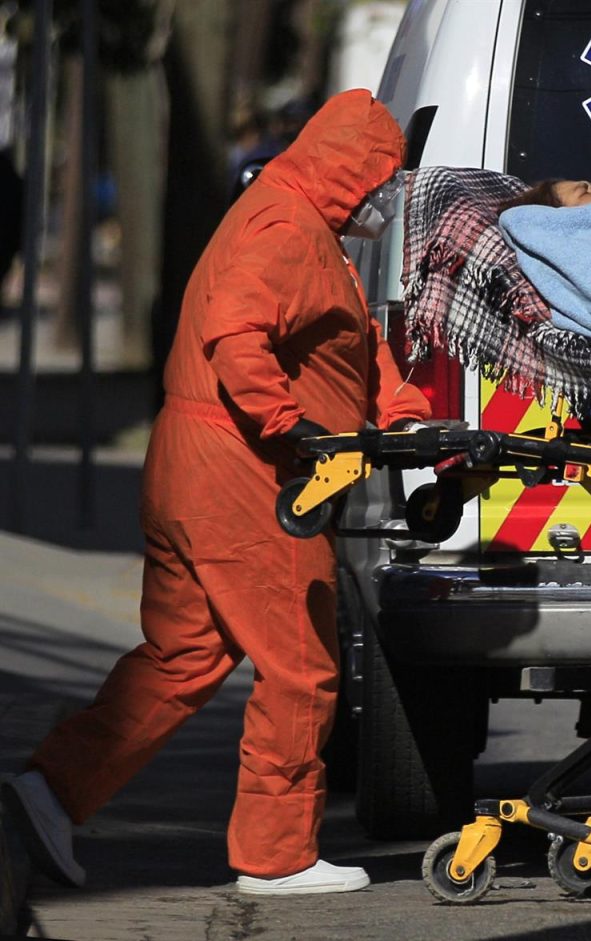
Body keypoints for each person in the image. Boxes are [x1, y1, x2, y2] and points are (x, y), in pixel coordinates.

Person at [0, 89, 429, 896]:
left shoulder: (299, 218)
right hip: (243, 473)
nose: (386, 197)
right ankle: (276, 854)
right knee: (300, 664)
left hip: (199, 465)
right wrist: (291, 426)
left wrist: (400, 411)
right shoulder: (286, 227)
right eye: (382, 180)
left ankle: (51, 791)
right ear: (350, 173)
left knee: (183, 654)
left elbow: (351, 344)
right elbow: (237, 330)